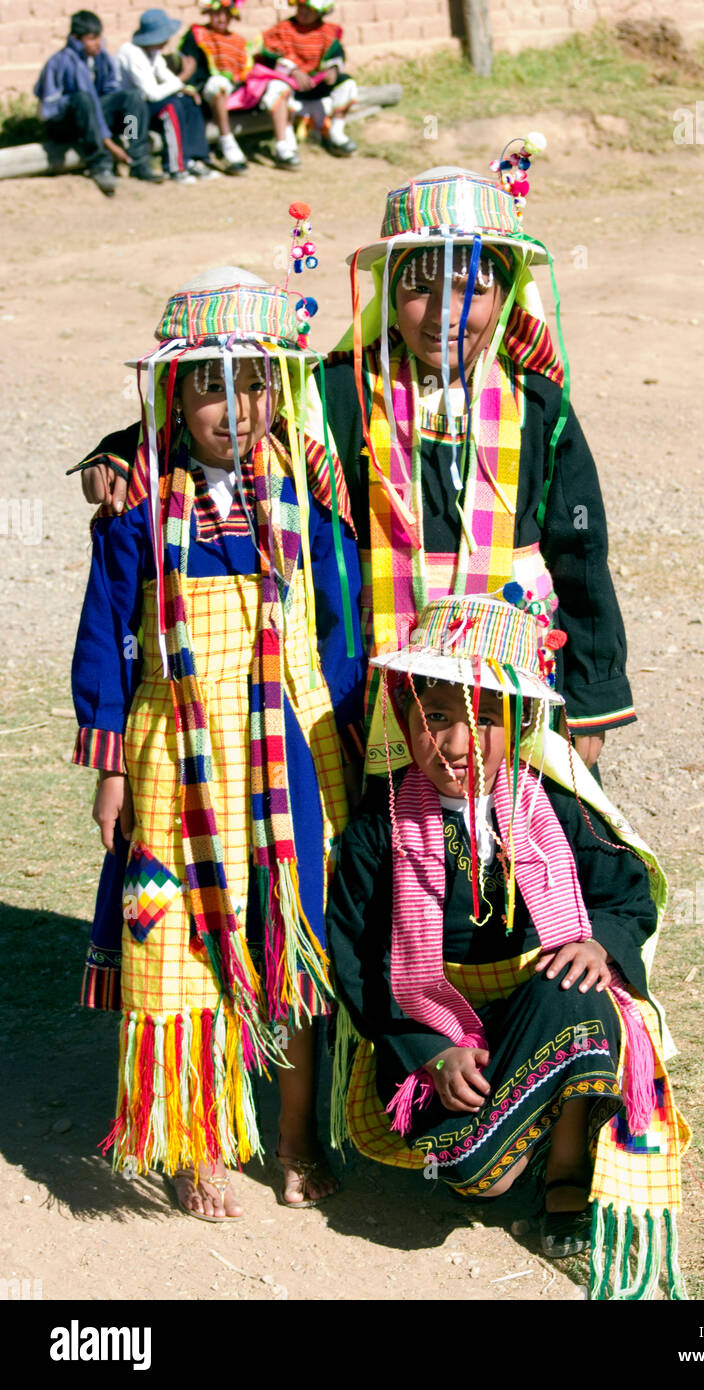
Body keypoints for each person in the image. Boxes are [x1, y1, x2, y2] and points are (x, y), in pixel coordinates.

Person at [72, 256, 365, 1219]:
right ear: (173, 392)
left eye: (252, 383)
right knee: (180, 936)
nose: (233, 409)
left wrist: (350, 730)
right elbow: (110, 632)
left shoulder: (308, 494)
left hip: (290, 741)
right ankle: (193, 1140)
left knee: (293, 935)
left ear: (278, 392)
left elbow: (340, 621)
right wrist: (109, 762)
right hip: (174, 747)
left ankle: (292, 1140)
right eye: (208, 385)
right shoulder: (136, 507)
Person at [326, 591, 689, 1297]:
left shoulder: (554, 806)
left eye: (482, 719)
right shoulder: (383, 823)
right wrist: (427, 1055)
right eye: (435, 719)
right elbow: (355, 954)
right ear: (405, 719)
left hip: (536, 1014)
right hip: (433, 1032)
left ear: (517, 723)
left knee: (582, 993)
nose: (457, 744)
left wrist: (601, 946)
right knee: (477, 1174)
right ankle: (491, 1154)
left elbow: (626, 895)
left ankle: (561, 1176)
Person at [315, 152, 634, 781]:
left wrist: (592, 699)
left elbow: (581, 550)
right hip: (387, 672)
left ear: (507, 289)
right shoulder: (345, 394)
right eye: (420, 287)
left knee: (525, 836)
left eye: (470, 287)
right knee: (394, 843)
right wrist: (125, 449)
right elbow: (238, 418)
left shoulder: (538, 405)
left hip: (516, 675)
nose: (444, 313)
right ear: (390, 290)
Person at [34, 9, 162, 196]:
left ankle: (138, 158)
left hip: (94, 118)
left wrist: (118, 115)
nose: (97, 43)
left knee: (131, 98)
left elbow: (110, 90)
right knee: (83, 99)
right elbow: (50, 109)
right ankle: (100, 164)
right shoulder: (60, 62)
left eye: (99, 37)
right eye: (91, 39)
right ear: (76, 39)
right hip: (66, 123)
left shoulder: (100, 57)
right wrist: (108, 143)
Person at [178, 0, 297, 172]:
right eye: (217, 13)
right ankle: (228, 144)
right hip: (211, 93)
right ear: (209, 13)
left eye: (226, 14)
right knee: (218, 84)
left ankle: (283, 147)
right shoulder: (198, 35)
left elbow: (246, 70)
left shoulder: (238, 41)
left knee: (278, 86)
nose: (221, 18)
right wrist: (188, 87)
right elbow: (190, 63)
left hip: (239, 91)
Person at [116, 8, 219, 183]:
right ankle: (175, 166)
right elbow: (151, 93)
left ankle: (194, 158)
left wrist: (184, 88)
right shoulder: (131, 53)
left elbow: (165, 76)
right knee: (171, 107)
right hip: (130, 115)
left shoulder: (152, 52)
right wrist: (183, 78)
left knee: (188, 101)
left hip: (146, 104)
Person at [257, 0, 359, 164]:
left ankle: (336, 134)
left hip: (316, 88)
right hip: (291, 90)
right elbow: (269, 56)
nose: (304, 13)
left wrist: (332, 70)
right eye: (301, 7)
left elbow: (337, 56)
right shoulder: (282, 30)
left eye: (309, 10)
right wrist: (293, 71)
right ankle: (284, 146)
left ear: (320, 13)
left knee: (347, 83)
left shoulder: (327, 33)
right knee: (276, 88)